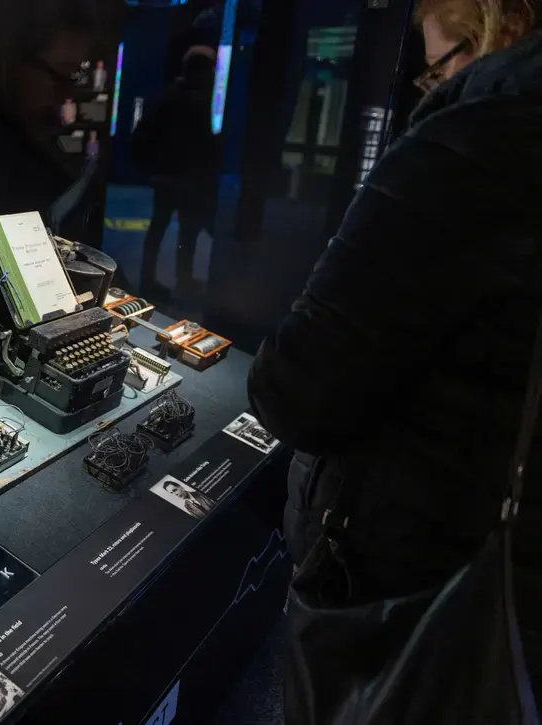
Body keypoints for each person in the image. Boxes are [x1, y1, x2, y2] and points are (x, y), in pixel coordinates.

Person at [248, 0, 542, 709]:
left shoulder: (475, 141)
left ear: (497, 29)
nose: (428, 85)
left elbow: (296, 388)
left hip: (396, 589)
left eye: (436, 66)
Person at [130, 45, 222, 304]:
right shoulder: (204, 103)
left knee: (158, 227)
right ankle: (183, 280)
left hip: (164, 176)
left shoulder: (167, 96)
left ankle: (147, 280)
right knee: (187, 233)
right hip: (191, 179)